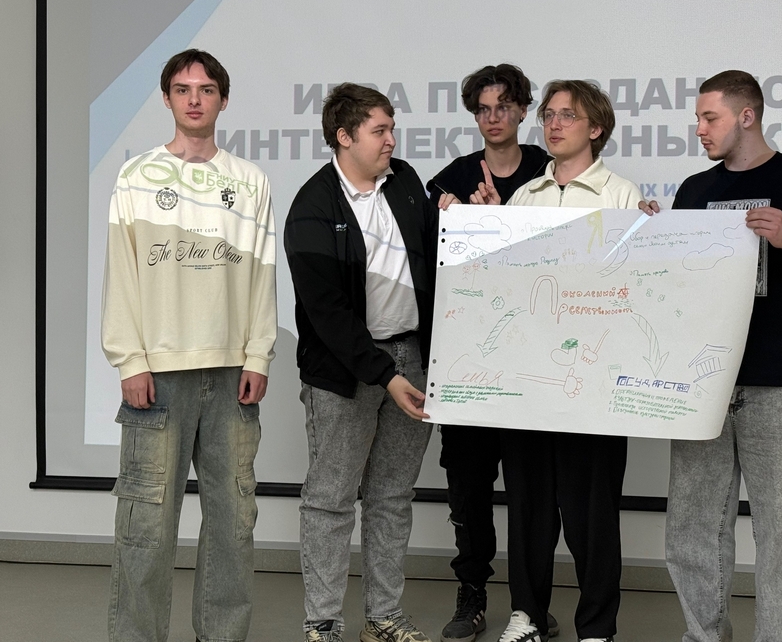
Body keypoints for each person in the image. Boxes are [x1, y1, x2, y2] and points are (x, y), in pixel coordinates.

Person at [641, 70, 782, 642]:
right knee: (693, 527)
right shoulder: (694, 189)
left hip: (777, 386)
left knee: (778, 533)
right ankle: (703, 635)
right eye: (697, 118)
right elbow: (676, 285)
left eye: (709, 117)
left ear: (747, 116)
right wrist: (652, 237)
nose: (699, 129)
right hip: (702, 383)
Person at [101, 48, 277, 642]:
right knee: (146, 527)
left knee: (233, 525)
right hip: (158, 375)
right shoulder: (136, 177)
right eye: (182, 89)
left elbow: (263, 274)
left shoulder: (250, 182)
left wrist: (258, 353)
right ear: (167, 99)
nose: (194, 99)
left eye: (205, 90)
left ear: (223, 99)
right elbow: (122, 272)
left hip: (231, 374)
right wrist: (130, 359)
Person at [284, 83, 438, 642]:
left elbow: (436, 257)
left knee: (392, 497)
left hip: (411, 359)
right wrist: (384, 375)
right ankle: (323, 624)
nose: (391, 140)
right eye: (380, 130)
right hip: (344, 372)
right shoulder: (312, 206)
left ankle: (383, 617)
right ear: (344, 136)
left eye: (392, 128)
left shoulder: (407, 183)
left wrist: (458, 219)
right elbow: (327, 313)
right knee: (330, 501)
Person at [497, 80, 641, 642]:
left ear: (596, 128)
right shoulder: (524, 197)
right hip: (528, 378)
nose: (553, 125)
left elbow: (634, 288)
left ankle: (597, 628)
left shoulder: (621, 195)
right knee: (528, 507)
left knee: (592, 513)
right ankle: (527, 615)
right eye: (549, 115)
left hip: (594, 383)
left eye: (568, 116)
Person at [425, 64, 554, 642]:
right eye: (483, 108)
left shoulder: (549, 173)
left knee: (532, 490)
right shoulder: (448, 181)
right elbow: (430, 265)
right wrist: (456, 220)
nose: (493, 117)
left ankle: (530, 603)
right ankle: (472, 594)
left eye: (504, 106)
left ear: (524, 110)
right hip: (468, 361)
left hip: (534, 361)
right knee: (469, 487)